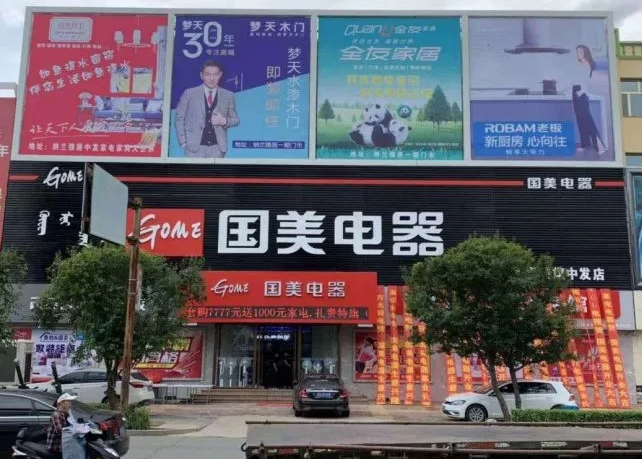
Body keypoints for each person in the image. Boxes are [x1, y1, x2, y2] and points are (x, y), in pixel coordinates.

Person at [175, 59, 240, 159]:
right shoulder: (189, 93)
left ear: (220, 75)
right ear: (201, 75)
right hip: (193, 148)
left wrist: (224, 121)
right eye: (208, 74)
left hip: (217, 149)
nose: (212, 78)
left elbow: (236, 120)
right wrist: (183, 142)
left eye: (215, 74)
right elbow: (179, 118)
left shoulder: (228, 95)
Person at [571, 45, 608, 156]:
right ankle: (585, 144)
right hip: (575, 91)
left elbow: (587, 81)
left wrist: (581, 91)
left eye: (580, 52)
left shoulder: (587, 64)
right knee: (580, 119)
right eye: (577, 52)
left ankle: (600, 146)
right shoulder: (579, 65)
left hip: (581, 93)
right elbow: (575, 80)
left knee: (588, 120)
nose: (578, 54)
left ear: (585, 53)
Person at [47, 393, 77, 457]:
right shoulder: (56, 414)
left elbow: (73, 424)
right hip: (57, 446)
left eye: (70, 401)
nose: (70, 403)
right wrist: (76, 432)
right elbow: (60, 431)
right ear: (61, 403)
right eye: (68, 401)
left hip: (65, 443)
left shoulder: (67, 413)